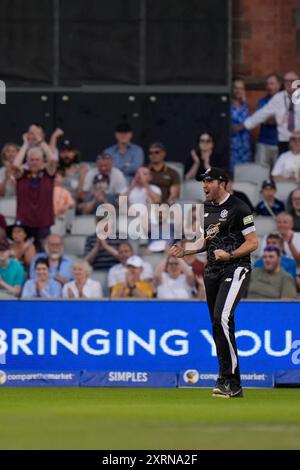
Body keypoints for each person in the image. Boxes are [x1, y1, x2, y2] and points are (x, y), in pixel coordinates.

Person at [171, 167, 258, 399]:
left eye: (209, 181)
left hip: (235, 268)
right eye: (203, 181)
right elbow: (204, 240)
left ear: (222, 183)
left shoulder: (239, 207)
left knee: (222, 318)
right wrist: (185, 250)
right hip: (212, 271)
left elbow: (252, 242)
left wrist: (229, 256)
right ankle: (230, 381)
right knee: (217, 323)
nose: (204, 185)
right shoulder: (206, 208)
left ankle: (229, 378)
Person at [12, 131, 58, 248]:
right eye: (31, 160)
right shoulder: (22, 175)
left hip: (43, 222)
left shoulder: (48, 174)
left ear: (42, 161)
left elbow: (52, 159)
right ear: (27, 162)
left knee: (44, 253)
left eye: (37, 159)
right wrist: (26, 144)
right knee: (25, 253)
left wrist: (41, 142)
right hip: (24, 221)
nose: (34, 162)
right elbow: (16, 165)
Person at [244, 71, 300, 156]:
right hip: (283, 141)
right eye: (286, 81)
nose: (289, 83)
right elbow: (262, 113)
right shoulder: (278, 98)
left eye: (292, 80)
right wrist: (246, 124)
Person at [254, 74, 282, 169]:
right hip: (263, 143)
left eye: (272, 84)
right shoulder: (262, 101)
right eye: (267, 84)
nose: (269, 87)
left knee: (279, 175)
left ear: (278, 85)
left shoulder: (285, 101)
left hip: (280, 144)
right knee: (260, 174)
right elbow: (260, 118)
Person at [51, 132, 88, 203]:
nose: (66, 155)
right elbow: (51, 156)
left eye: (69, 151)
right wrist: (54, 137)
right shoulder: (55, 168)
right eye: (63, 151)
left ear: (74, 153)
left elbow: (81, 196)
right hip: (57, 202)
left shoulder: (81, 168)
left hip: (74, 204)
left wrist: (82, 177)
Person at [231, 79, 252, 168]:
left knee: (245, 172)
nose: (238, 91)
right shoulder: (228, 104)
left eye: (241, 88)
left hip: (245, 145)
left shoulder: (245, 105)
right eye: (236, 88)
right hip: (233, 145)